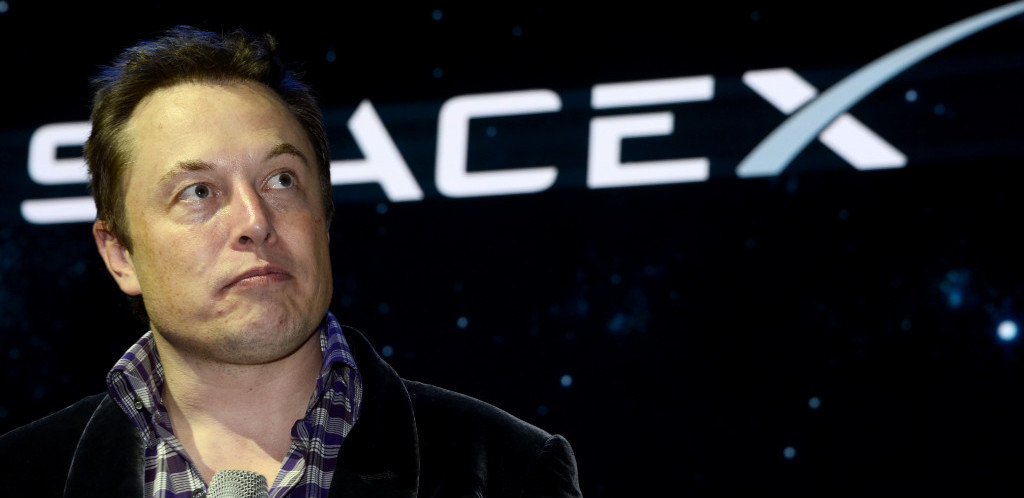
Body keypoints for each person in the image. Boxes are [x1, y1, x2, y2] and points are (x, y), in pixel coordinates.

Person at [0, 25, 581, 497]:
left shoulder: (506, 471)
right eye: (198, 191)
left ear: (324, 218)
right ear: (119, 255)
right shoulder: (18, 475)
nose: (255, 221)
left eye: (281, 180)